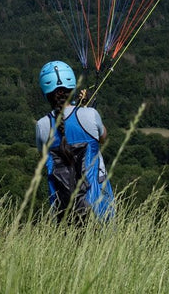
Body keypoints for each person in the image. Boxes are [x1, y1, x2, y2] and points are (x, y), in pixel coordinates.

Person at [34, 60, 114, 222]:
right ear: (73, 89)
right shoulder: (90, 115)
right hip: (98, 204)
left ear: (46, 93)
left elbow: (44, 157)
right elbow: (103, 139)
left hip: (63, 211)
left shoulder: (42, 125)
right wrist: (85, 109)